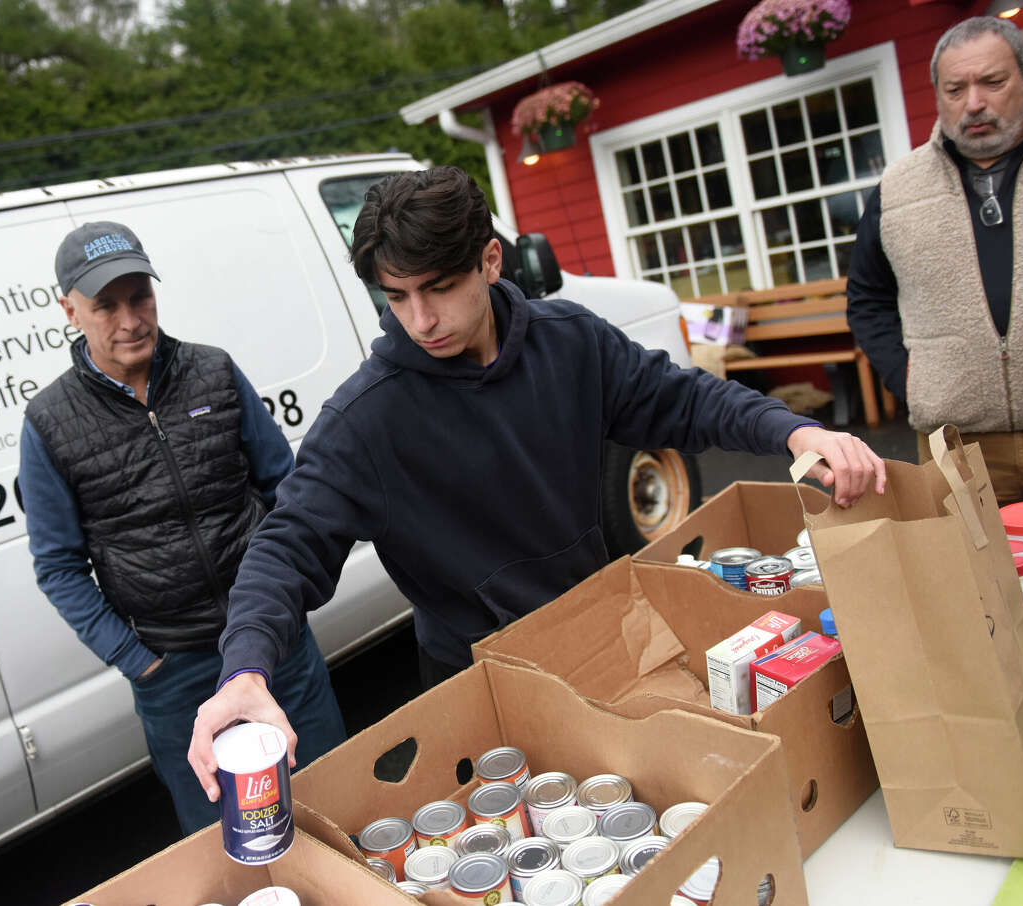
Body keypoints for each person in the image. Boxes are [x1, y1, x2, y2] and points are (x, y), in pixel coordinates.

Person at [186, 166, 885, 800]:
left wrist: (794, 432)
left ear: (491, 260)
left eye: (438, 288)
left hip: (604, 637)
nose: (420, 320)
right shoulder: (366, 418)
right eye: (395, 296)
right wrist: (245, 668)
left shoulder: (573, 340)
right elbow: (286, 547)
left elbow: (685, 400)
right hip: (477, 682)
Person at [18, 221, 346, 835]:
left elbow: (285, 489)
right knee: (230, 836)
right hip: (175, 671)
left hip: (275, 642)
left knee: (335, 797)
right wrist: (139, 661)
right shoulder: (49, 423)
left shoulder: (213, 373)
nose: (129, 320)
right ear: (69, 311)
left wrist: (288, 600)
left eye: (138, 296)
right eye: (105, 305)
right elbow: (58, 566)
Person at [847, 16, 1023, 504]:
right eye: (955, 88)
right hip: (958, 449)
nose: (974, 103)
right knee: (975, 579)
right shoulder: (897, 190)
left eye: (992, 82)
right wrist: (913, 381)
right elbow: (867, 298)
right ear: (938, 94)